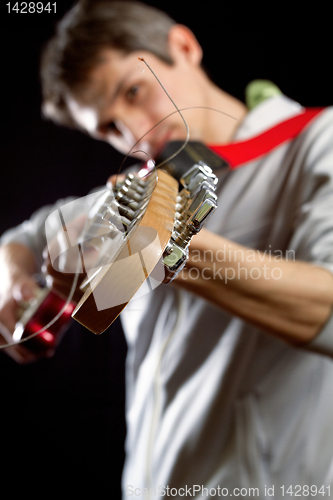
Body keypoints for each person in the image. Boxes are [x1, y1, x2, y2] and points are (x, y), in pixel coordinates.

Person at [1, 0, 333, 497]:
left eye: (134, 92)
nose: (137, 135)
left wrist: (165, 248)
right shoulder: (142, 186)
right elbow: (22, 239)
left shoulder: (318, 142)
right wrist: (13, 282)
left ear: (184, 46)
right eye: (109, 128)